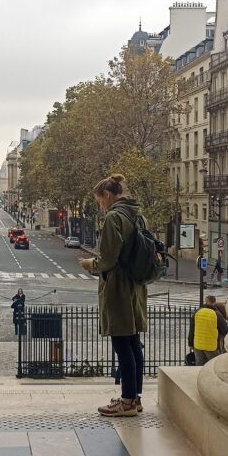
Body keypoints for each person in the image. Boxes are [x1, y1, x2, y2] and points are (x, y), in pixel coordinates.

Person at [78, 173, 148, 418]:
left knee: (121, 343)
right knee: (133, 342)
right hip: (136, 286)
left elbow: (108, 259)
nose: (101, 206)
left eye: (100, 201)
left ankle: (126, 402)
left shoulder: (113, 217)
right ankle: (135, 397)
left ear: (107, 195)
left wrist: (90, 264)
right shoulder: (137, 214)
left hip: (118, 287)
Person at [189, 295, 228, 366]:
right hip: (211, 346)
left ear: (205, 302)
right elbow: (225, 331)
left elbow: (192, 329)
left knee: (200, 366)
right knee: (214, 366)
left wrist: (190, 343)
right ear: (214, 302)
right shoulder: (217, 314)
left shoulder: (197, 312)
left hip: (198, 345)